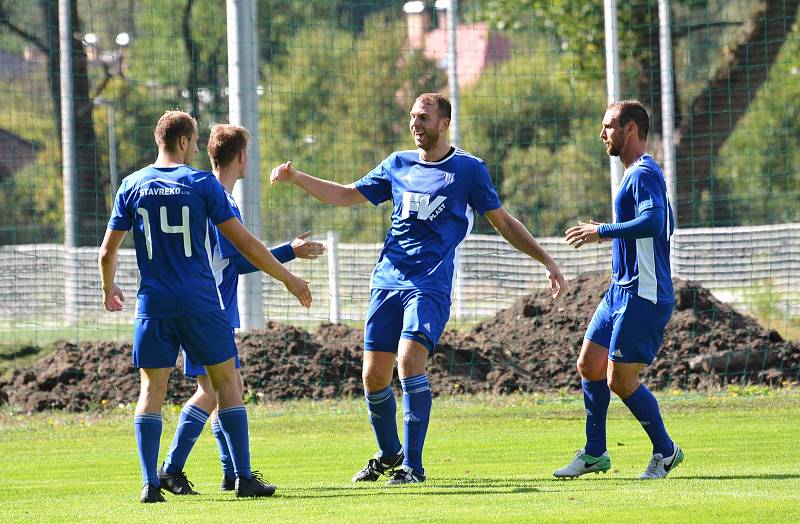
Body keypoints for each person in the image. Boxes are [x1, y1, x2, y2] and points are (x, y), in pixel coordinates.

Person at [270, 93, 565, 485]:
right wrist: (297, 177)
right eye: (412, 117)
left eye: (424, 117)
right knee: (373, 376)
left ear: (444, 123)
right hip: (387, 281)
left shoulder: (469, 170)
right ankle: (390, 454)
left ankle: (413, 465)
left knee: (409, 361)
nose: (415, 124)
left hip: (429, 285)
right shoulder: (397, 164)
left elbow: (503, 222)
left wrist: (546, 259)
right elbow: (345, 194)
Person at [98, 111, 312, 503]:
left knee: (152, 391)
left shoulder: (131, 185)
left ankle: (149, 482)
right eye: (195, 141)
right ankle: (243, 478)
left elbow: (107, 251)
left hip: (153, 305)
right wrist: (289, 277)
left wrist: (109, 288)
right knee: (228, 382)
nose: (197, 148)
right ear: (182, 142)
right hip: (199, 301)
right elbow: (245, 244)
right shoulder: (200, 184)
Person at [157, 124, 324, 494]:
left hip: (207, 306)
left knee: (226, 388)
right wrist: (288, 257)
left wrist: (287, 252)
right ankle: (173, 468)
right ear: (242, 156)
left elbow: (233, 260)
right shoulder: (216, 197)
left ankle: (232, 473)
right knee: (216, 390)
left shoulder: (212, 193)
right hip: (206, 307)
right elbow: (243, 259)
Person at [560, 100, 682, 479]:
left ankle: (666, 451)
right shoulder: (639, 174)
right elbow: (668, 223)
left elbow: (653, 221)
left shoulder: (643, 172)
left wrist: (602, 232)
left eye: (609, 126)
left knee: (620, 380)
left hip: (644, 294)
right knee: (589, 365)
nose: (602, 134)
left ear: (631, 129)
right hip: (621, 289)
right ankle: (595, 453)